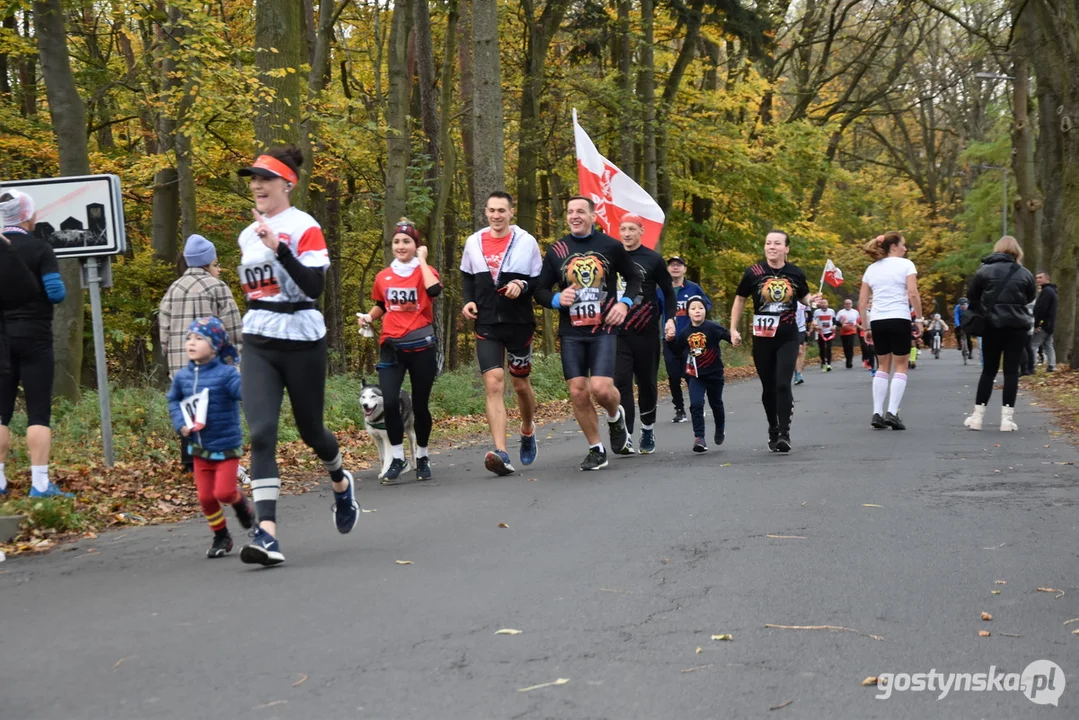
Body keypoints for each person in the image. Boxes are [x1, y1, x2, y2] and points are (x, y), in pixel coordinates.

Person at [234, 146, 356, 566]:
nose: (256, 185)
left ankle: (340, 482)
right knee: (262, 431)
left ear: (288, 183)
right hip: (259, 339)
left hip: (302, 338)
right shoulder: (246, 235)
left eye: (265, 179)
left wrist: (280, 249)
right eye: (252, 179)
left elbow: (313, 288)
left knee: (311, 432)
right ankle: (266, 533)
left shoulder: (306, 227)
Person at [533, 197, 641, 471]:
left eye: (581, 211)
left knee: (601, 388)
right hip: (572, 332)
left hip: (604, 328)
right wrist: (557, 299)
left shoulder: (611, 246)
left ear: (593, 216)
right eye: (570, 212)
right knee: (578, 392)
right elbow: (540, 290)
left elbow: (634, 277)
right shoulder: (557, 249)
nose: (575, 216)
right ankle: (596, 449)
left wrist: (624, 303)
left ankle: (616, 416)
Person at [460, 192, 541, 476]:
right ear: (486, 212)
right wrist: (467, 301)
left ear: (511, 213)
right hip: (486, 324)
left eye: (501, 211)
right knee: (494, 384)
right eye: (492, 210)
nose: (496, 216)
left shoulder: (526, 241)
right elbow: (467, 276)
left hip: (519, 323)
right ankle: (501, 452)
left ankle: (528, 428)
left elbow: (538, 280)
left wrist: (522, 284)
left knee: (520, 385)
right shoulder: (473, 241)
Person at [359, 218, 441, 483]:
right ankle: (397, 458)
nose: (401, 246)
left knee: (419, 403)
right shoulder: (383, 276)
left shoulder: (425, 272)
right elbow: (381, 304)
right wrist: (369, 317)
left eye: (407, 241)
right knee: (391, 402)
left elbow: (435, 290)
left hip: (421, 347)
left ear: (416, 245)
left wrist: (423, 260)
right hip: (391, 347)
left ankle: (422, 455)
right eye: (397, 241)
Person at [0, 189, 70, 498]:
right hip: (36, 338)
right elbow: (55, 293)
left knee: (1, 412)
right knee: (38, 411)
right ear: (28, 215)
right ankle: (40, 484)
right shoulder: (41, 248)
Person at [166, 318, 254, 558]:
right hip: (199, 448)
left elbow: (243, 392)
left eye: (199, 339)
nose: (191, 343)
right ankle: (221, 535)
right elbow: (173, 400)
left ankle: (240, 502)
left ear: (215, 346)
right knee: (206, 497)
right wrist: (180, 423)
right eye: (189, 338)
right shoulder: (183, 377)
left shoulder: (226, 374)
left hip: (226, 446)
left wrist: (252, 378)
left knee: (224, 493)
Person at [159, 233, 244, 473]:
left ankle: (190, 461)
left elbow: (163, 330)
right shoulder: (218, 288)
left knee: (189, 408)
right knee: (216, 408)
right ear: (207, 262)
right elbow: (233, 328)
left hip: (181, 363)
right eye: (215, 263)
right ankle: (218, 459)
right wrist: (233, 361)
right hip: (213, 364)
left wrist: (171, 357)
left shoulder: (173, 289)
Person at [729, 230, 820, 453]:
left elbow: (804, 297)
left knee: (782, 384)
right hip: (762, 338)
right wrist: (732, 328)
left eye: (777, 243)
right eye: (768, 243)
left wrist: (813, 301)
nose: (771, 247)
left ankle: (784, 433)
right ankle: (773, 427)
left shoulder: (795, 273)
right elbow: (740, 299)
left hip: (788, 337)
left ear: (786, 249)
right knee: (768, 387)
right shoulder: (754, 272)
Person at [613, 213, 676, 454]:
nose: (627, 234)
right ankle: (627, 434)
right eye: (623, 229)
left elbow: (669, 293)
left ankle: (647, 428)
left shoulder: (653, 259)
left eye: (632, 229)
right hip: (619, 332)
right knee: (621, 382)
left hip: (646, 331)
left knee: (647, 384)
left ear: (641, 231)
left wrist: (670, 320)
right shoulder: (613, 257)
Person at [962, 236, 1036, 431]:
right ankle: (1007, 419)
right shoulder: (1025, 273)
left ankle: (977, 417)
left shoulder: (983, 271)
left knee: (989, 370)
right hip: (1017, 327)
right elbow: (1030, 296)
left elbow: (972, 296)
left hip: (992, 326)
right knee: (1012, 372)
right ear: (1017, 252)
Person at [858, 232, 923, 430]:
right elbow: (912, 293)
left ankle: (877, 412)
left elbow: (862, 302)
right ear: (894, 246)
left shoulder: (871, 269)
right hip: (899, 318)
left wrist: (867, 325)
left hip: (878, 320)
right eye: (903, 244)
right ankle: (892, 413)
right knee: (901, 366)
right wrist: (919, 319)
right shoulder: (906, 265)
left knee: (882, 366)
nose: (906, 248)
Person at [666, 296, 731, 452]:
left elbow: (728, 336)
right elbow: (677, 350)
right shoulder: (685, 332)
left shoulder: (713, 327)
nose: (697, 311)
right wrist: (670, 340)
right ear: (688, 312)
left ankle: (720, 428)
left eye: (700, 308)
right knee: (696, 404)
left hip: (714, 373)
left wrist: (735, 338)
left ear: (705, 311)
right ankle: (699, 438)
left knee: (716, 403)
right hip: (695, 375)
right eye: (693, 308)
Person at [660, 256, 710, 423]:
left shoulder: (693, 288)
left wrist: (697, 315)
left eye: (678, 265)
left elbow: (706, 305)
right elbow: (653, 309)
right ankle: (679, 409)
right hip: (669, 339)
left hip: (691, 338)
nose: (675, 268)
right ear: (667, 269)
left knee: (692, 374)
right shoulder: (661, 289)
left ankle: (697, 405)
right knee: (674, 376)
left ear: (684, 269)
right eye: (672, 265)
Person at [1031, 271, 1057, 372]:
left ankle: (1032, 366)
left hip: (1044, 324)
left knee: (1033, 345)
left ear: (1047, 278)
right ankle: (1052, 365)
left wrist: (1037, 324)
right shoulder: (1051, 291)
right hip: (1049, 324)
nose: (1038, 280)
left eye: (1040, 277)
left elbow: (1041, 309)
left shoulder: (1047, 292)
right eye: (1037, 278)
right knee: (1048, 344)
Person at [810, 298, 836, 372]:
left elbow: (834, 320)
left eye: (825, 303)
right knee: (822, 348)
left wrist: (834, 325)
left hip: (829, 331)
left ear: (827, 304)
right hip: (820, 332)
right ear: (820, 304)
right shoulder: (817, 312)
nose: (824, 304)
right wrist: (816, 325)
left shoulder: (831, 311)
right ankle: (823, 362)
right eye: (822, 303)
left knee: (829, 348)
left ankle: (829, 364)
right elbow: (814, 320)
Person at [835, 299, 860, 369]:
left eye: (849, 304)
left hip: (852, 331)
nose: (848, 305)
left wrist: (857, 326)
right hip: (843, 332)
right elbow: (836, 321)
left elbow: (858, 320)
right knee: (846, 347)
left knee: (850, 345)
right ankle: (847, 359)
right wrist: (841, 325)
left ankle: (850, 361)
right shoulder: (841, 312)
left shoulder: (855, 312)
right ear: (844, 304)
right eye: (846, 304)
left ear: (851, 304)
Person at [793, 300, 808, 385]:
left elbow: (808, 313)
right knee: (793, 353)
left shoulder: (803, 300)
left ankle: (798, 374)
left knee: (800, 351)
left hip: (800, 329)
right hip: (789, 328)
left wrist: (809, 324)